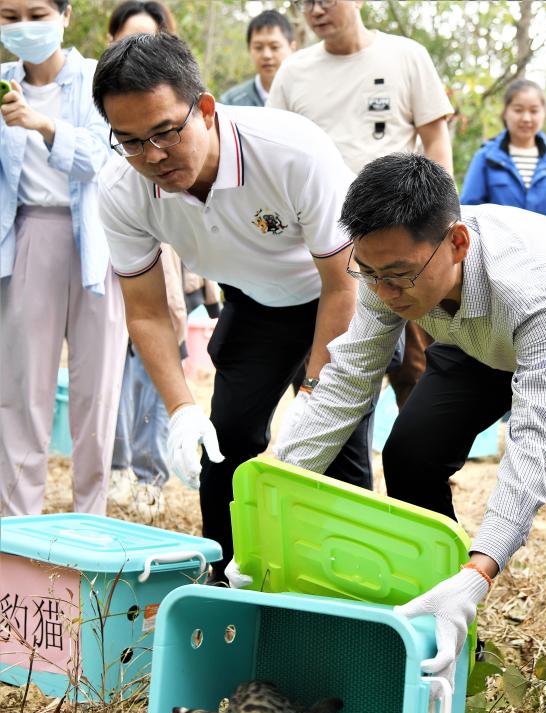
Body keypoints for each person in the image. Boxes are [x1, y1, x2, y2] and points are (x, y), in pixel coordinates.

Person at [272, 153, 546, 683]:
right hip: (484, 339)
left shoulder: (533, 284)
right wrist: (274, 483)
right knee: (411, 455)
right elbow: (347, 380)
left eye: (398, 276)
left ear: (456, 243)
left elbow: (534, 437)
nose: (384, 293)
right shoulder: (391, 266)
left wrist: (481, 568)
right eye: (370, 274)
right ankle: (445, 630)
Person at [92, 33, 368, 579]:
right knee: (224, 445)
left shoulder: (291, 149)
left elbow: (344, 283)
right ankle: (222, 582)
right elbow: (146, 310)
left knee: (337, 453)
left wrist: (315, 393)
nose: (152, 156)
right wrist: (180, 410)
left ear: (206, 109)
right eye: (129, 141)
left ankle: (348, 586)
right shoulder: (121, 188)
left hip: (338, 298)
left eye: (165, 132)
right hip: (257, 305)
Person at [268, 0, 454, 409]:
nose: (315, 10)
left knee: (413, 366)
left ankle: (424, 464)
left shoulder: (406, 56)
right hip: (321, 244)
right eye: (304, 3)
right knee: (334, 362)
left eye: (326, 0)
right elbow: (274, 155)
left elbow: (436, 138)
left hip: (399, 238)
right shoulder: (293, 72)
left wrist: (438, 219)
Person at [0, 0, 125, 517]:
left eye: (35, 13)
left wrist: (44, 126)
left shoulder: (100, 80)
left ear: (66, 15)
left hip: (98, 239)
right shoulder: (4, 82)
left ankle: (89, 522)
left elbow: (108, 158)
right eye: (9, 17)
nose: (24, 27)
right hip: (28, 235)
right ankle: (15, 528)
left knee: (97, 392)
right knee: (21, 392)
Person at [105, 0, 185, 522]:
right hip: (112, 242)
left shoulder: (174, 121)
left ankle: (154, 471)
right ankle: (118, 466)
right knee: (117, 364)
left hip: (165, 246)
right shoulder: (106, 106)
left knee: (159, 350)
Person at [461, 78, 546, 227]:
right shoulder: (486, 157)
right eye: (518, 110)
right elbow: (469, 212)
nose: (526, 118)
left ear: (543, 114)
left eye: (534, 111)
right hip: (498, 249)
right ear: (505, 112)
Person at [220, 10, 295, 108]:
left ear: (292, 48)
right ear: (249, 48)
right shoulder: (231, 102)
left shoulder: (306, 94)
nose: (266, 55)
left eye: (274, 47)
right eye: (258, 47)